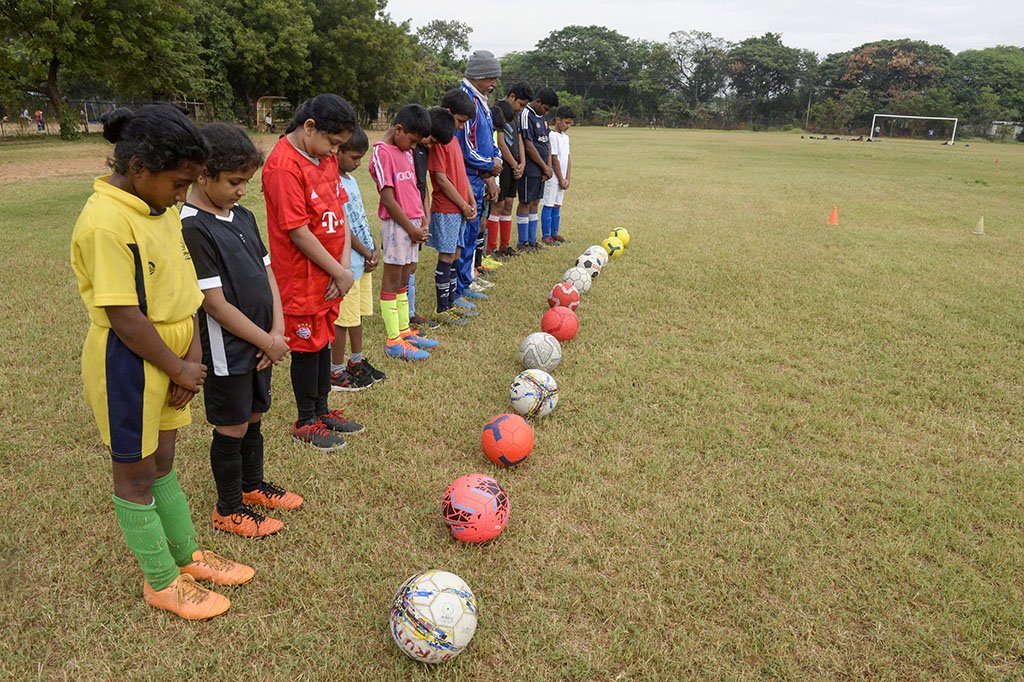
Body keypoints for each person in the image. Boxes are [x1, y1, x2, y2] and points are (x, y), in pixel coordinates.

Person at [70, 104, 254, 620]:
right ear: (138, 168)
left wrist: (191, 352)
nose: (182, 196)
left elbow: (184, 287)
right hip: (128, 362)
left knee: (164, 461)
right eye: (178, 184)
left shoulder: (164, 210)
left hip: (176, 353)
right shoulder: (104, 223)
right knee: (136, 474)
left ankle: (186, 555)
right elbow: (124, 315)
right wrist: (175, 367)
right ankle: (161, 581)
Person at [181, 122, 300, 540]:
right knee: (231, 425)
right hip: (227, 349)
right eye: (234, 181)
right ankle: (228, 508)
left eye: (246, 181)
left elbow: (269, 275)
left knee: (253, 416)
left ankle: (253, 486)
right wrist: (267, 341)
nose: (242, 190)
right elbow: (213, 304)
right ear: (203, 175)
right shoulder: (193, 226)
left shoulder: (243, 216)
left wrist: (277, 331)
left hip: (263, 343)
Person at [262, 94, 364, 450]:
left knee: (323, 342)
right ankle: (306, 420)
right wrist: (339, 271)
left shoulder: (325, 158)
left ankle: (322, 409)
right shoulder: (283, 167)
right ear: (309, 127)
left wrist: (343, 268)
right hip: (301, 279)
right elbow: (298, 231)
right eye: (332, 142)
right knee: (306, 348)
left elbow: (340, 212)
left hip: (331, 276)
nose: (335, 152)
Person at [368, 104, 440, 360]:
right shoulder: (382, 152)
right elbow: (388, 199)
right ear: (398, 129)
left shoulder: (405, 150)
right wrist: (411, 229)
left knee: (405, 278)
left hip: (413, 224)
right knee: (392, 279)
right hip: (398, 225)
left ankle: (404, 331)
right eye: (412, 140)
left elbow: (413, 189)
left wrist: (421, 222)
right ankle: (393, 341)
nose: (413, 147)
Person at [330, 127, 388, 390]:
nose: (358, 163)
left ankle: (356, 361)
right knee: (343, 321)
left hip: (362, 261)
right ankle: (335, 371)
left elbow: (360, 218)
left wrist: (373, 247)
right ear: (338, 151)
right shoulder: (333, 182)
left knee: (357, 315)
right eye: (354, 157)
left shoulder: (351, 181)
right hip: (348, 264)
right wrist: (365, 252)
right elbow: (343, 225)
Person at [455, 51, 503, 310]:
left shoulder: (481, 99)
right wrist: (488, 165)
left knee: (473, 231)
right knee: (464, 233)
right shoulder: (465, 100)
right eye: (491, 77)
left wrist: (496, 160)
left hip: (480, 176)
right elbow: (465, 147)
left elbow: (488, 140)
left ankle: (467, 280)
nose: (494, 83)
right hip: (468, 176)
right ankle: (458, 287)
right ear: (479, 75)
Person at [426, 94, 476, 327]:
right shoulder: (439, 142)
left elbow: (462, 175)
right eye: (460, 121)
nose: (461, 126)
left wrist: (471, 200)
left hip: (460, 208)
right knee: (446, 255)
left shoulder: (454, 140)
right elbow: (441, 179)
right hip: (447, 208)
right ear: (448, 113)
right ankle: (442, 308)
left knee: (456, 252)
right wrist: (463, 204)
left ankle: (453, 300)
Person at [489, 82, 531, 260]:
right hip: (503, 166)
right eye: (520, 104)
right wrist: (513, 165)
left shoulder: (516, 115)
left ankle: (504, 246)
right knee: (497, 205)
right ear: (512, 96)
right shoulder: (499, 111)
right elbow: (501, 142)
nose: (521, 108)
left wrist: (522, 163)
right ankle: (491, 248)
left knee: (508, 204)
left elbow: (519, 140)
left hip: (515, 165)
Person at [517, 87, 559, 251]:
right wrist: (543, 166)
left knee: (535, 202)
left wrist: (548, 167)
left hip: (542, 168)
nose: (546, 112)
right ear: (538, 101)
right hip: (531, 167)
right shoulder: (526, 114)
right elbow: (528, 145)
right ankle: (523, 242)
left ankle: (532, 240)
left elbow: (546, 142)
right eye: (545, 108)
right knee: (526, 202)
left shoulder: (544, 117)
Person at [541, 105, 575, 245]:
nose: (568, 126)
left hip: (562, 179)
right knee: (548, 204)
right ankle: (546, 235)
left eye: (570, 123)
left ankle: (554, 233)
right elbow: (554, 159)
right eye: (566, 122)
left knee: (557, 205)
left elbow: (568, 158)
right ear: (558, 120)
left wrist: (567, 178)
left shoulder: (565, 138)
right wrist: (561, 179)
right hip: (553, 178)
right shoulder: (552, 135)